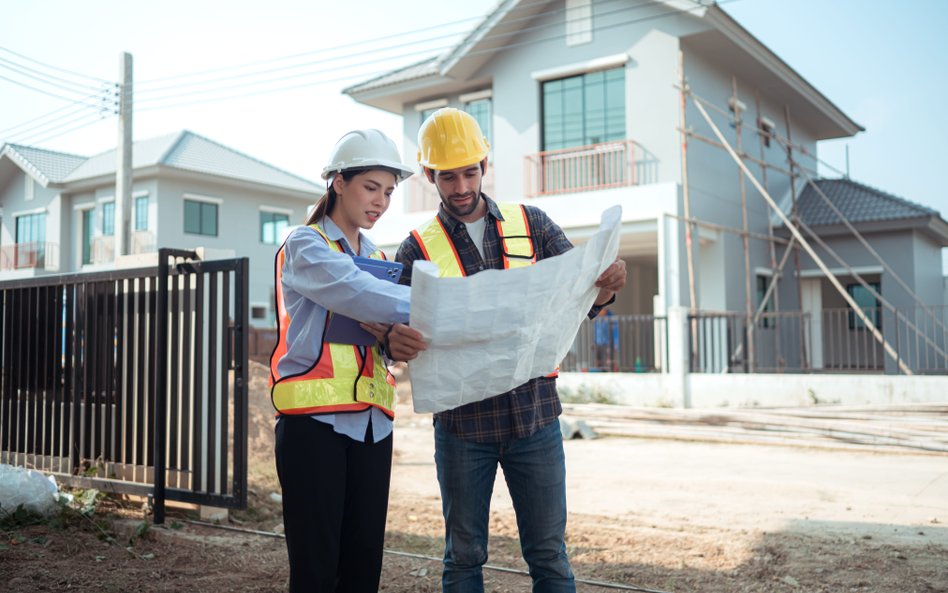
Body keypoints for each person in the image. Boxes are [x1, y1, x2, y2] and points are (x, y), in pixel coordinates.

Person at [388, 108, 627, 593]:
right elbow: (395, 335)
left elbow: (578, 297)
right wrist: (393, 342)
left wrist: (604, 289)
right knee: (463, 558)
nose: (460, 187)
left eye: (468, 173)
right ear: (430, 175)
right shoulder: (415, 250)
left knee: (549, 556)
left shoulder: (532, 224)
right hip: (462, 429)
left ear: (484, 165)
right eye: (447, 176)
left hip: (534, 418)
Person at [269, 128, 421, 593]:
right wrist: (437, 303)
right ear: (338, 182)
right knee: (316, 572)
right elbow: (358, 292)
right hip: (314, 426)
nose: (381, 202)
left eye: (389, 192)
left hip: (373, 426)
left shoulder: (378, 258)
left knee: (362, 570)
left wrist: (394, 340)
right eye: (371, 187)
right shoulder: (306, 244)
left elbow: (379, 329)